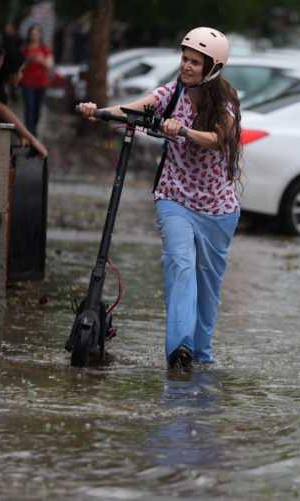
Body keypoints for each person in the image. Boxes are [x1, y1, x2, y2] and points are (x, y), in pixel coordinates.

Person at [77, 27, 241, 371]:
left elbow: (218, 139)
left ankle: (201, 355)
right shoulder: (172, 92)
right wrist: (99, 111)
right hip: (174, 197)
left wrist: (183, 130)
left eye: (196, 62)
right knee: (179, 264)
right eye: (185, 58)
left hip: (217, 209)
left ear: (213, 67)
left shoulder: (225, 102)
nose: (187, 66)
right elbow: (136, 108)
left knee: (208, 291)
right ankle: (179, 351)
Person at [0, 47, 48, 158]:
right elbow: (2, 111)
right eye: (20, 71)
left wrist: (20, 134)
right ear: (11, 72)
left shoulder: (3, 90)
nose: (21, 75)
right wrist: (31, 138)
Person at [20, 24, 53, 134]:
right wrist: (28, 60)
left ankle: (34, 129)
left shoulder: (45, 49)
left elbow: (49, 64)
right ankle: (29, 131)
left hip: (41, 83)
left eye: (36, 33)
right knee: (29, 107)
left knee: (38, 109)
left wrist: (40, 60)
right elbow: (19, 65)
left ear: (40, 35)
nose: (34, 35)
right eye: (32, 33)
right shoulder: (24, 49)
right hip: (27, 83)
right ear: (29, 35)